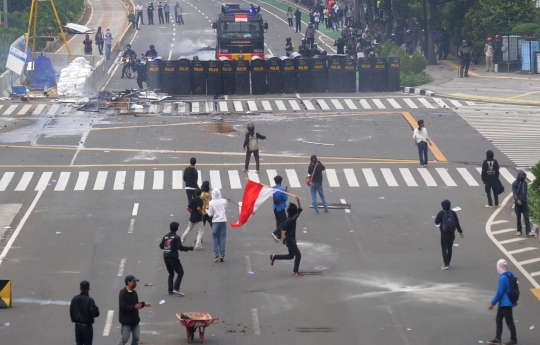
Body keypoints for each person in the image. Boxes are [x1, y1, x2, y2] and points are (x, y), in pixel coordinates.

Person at [487, 259, 518, 345]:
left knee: (509, 321)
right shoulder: (510, 274)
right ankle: (498, 338)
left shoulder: (503, 277)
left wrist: (492, 303)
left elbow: (500, 292)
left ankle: (513, 339)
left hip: (505, 303)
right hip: (507, 302)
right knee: (499, 319)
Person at [270, 197, 303, 276]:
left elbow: (300, 209)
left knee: (291, 256)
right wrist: (284, 239)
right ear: (294, 213)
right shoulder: (289, 220)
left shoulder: (294, 217)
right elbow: (282, 229)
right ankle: (295, 271)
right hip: (290, 240)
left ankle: (274, 257)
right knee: (298, 255)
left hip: (292, 240)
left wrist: (298, 200)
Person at [160, 222, 194, 295]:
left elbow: (161, 246)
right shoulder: (176, 237)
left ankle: (170, 290)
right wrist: (189, 248)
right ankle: (176, 288)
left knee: (171, 274)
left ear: (170, 228)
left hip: (166, 257)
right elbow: (180, 247)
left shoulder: (165, 237)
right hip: (173, 257)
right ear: (177, 229)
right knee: (180, 272)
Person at [117, 275, 151, 345]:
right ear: (128, 282)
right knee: (124, 339)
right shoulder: (122, 293)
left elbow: (136, 305)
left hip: (135, 321)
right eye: (133, 281)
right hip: (126, 322)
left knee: (136, 339)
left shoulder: (134, 293)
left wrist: (144, 304)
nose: (135, 283)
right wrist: (134, 307)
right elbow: (123, 307)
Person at [434, 200, 464, 269]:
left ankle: (446, 264)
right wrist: (460, 231)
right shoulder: (453, 213)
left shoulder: (441, 213)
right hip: (452, 233)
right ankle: (449, 262)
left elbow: (436, 222)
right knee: (450, 248)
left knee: (444, 248)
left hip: (444, 233)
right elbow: (457, 223)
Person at [70, 281, 100, 345]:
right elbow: (95, 313)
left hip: (77, 325)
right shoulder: (89, 300)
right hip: (86, 326)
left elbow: (72, 311)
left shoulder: (75, 299)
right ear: (89, 288)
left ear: (80, 288)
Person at [206, 188, 230, 262]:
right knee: (222, 237)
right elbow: (225, 209)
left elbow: (210, 214)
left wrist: (205, 210)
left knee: (215, 237)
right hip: (223, 220)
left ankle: (217, 255)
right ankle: (222, 255)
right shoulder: (223, 201)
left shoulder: (211, 203)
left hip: (216, 221)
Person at [512, 170, 532, 237]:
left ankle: (528, 231)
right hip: (518, 204)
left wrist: (525, 199)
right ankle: (519, 230)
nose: (523, 178)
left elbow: (525, 192)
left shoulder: (525, 183)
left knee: (526, 217)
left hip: (524, 203)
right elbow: (514, 194)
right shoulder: (515, 184)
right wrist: (517, 200)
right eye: (522, 177)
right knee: (518, 218)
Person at [271, 175, 289, 241]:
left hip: (275, 208)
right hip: (280, 208)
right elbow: (285, 198)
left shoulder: (273, 188)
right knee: (284, 221)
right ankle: (275, 233)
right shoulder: (281, 190)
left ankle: (278, 235)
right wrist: (286, 193)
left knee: (278, 221)